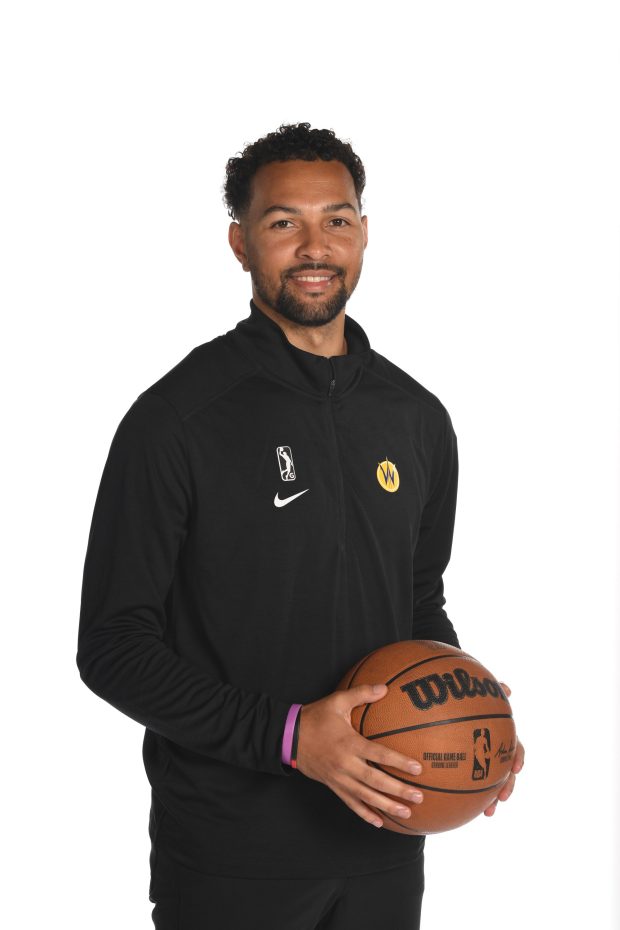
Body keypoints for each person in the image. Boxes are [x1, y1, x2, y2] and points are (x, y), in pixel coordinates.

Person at [76, 122, 523, 930]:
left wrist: (467, 711)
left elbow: (417, 603)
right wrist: (286, 736)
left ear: (364, 233)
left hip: (386, 839)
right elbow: (113, 645)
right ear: (240, 243)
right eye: (284, 222)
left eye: (337, 220)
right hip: (230, 857)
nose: (316, 247)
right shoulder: (176, 419)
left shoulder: (417, 418)